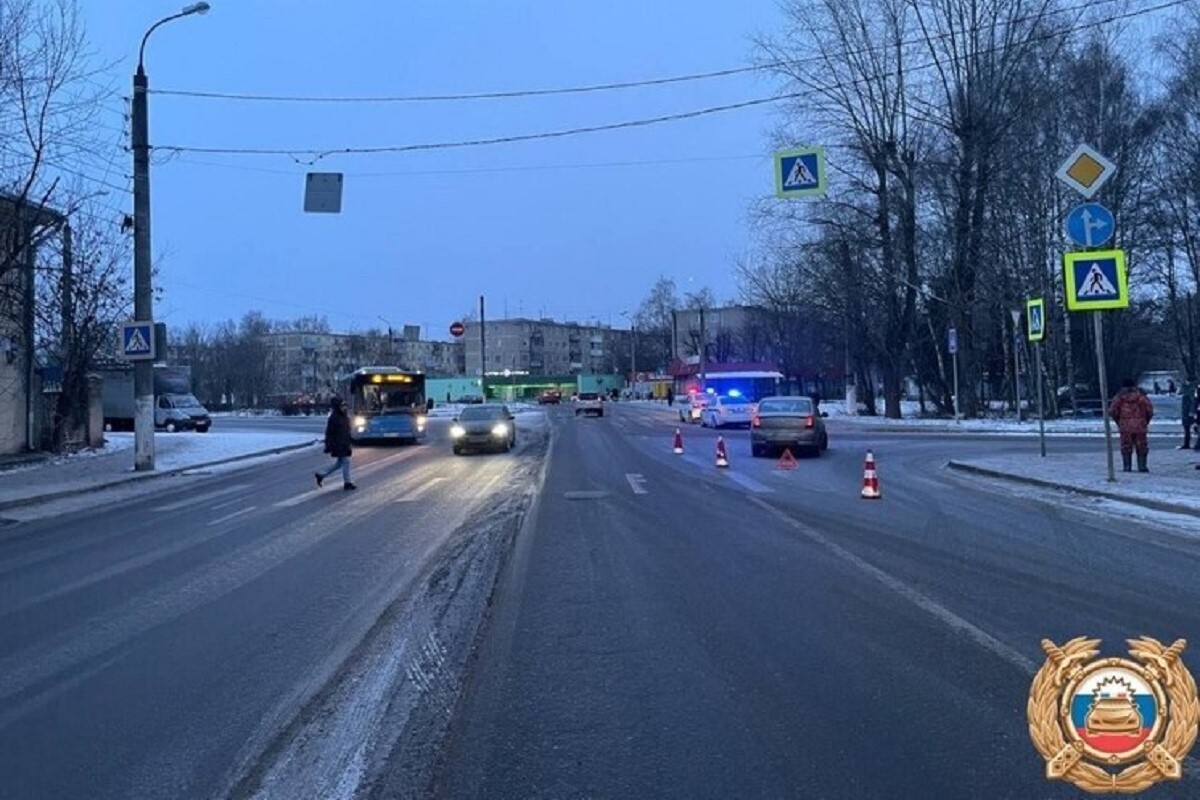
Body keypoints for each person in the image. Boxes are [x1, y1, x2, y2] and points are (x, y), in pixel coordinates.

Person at [1109, 378, 1154, 473]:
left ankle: (1127, 466)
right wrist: (1145, 420)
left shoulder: (1119, 397)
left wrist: (1118, 421)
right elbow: (1149, 410)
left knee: (1126, 446)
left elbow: (1112, 411)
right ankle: (1142, 466)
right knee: (1141, 446)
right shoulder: (1141, 397)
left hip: (1125, 426)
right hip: (1140, 425)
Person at [315, 396, 356, 490]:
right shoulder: (334, 418)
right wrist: (329, 445)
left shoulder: (344, 416)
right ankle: (347, 483)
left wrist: (350, 440)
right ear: (337, 407)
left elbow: (346, 431)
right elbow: (329, 433)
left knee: (339, 464)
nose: (345, 407)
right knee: (346, 462)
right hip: (338, 444)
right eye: (342, 405)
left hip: (344, 443)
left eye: (345, 405)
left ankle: (321, 474)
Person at [1182, 380, 1196, 451]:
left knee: (1187, 429)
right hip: (1186, 413)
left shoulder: (1187, 396)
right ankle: (1186, 443)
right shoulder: (1189, 395)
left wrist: (1190, 412)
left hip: (1187, 414)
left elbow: (1190, 405)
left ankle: (1187, 444)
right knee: (1187, 429)